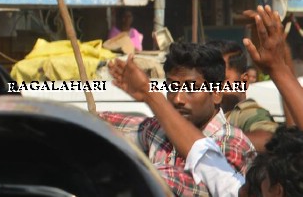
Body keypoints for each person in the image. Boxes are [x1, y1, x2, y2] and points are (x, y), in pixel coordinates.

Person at [100, 42, 256, 195]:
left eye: (191, 88)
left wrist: (133, 176)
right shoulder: (160, 130)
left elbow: (191, 186)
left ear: (216, 93)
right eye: (173, 87)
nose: (178, 99)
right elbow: (110, 124)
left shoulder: (231, 144)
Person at [210, 40, 278, 151]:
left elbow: (270, 140)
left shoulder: (246, 113)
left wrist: (210, 142)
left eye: (222, 79)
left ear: (244, 81)